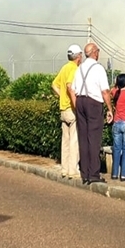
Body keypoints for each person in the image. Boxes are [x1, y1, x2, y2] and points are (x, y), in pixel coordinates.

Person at [71, 42, 113, 185]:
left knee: (83, 137)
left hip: (80, 101)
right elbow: (105, 91)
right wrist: (110, 109)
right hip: (93, 102)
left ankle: (85, 173)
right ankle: (94, 174)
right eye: (98, 51)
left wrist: (77, 104)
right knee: (93, 138)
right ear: (95, 52)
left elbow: (73, 88)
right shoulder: (98, 68)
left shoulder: (80, 68)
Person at [51, 45, 82, 180]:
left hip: (63, 109)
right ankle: (72, 170)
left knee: (65, 140)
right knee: (74, 140)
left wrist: (61, 96)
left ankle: (64, 169)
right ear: (78, 56)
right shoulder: (74, 69)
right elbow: (70, 86)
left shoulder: (64, 67)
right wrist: (75, 103)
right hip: (71, 109)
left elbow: (54, 84)